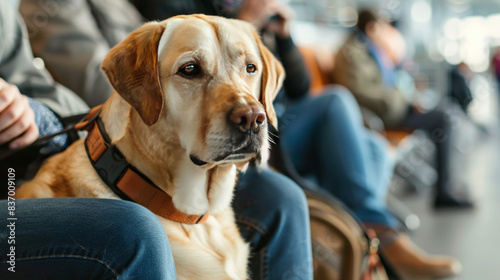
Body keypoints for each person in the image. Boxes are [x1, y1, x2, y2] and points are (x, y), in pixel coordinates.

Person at [129, 0, 462, 279]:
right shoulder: (188, 11)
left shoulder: (242, 8)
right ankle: (379, 236)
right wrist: (244, 25)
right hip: (257, 123)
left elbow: (300, 86)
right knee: (335, 101)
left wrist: (284, 37)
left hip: (276, 116)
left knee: (373, 145)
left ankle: (363, 237)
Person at [18, 0, 313, 279]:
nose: (249, 111)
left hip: (196, 202)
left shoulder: (122, 7)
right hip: (98, 162)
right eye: (191, 70)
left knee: (284, 194)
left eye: (249, 69)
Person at [333, 9, 474, 209]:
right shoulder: (351, 53)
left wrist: (409, 99)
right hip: (383, 115)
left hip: (392, 108)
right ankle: (444, 190)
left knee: (445, 112)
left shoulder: (367, 49)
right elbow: (359, 91)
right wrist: (404, 101)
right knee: (443, 118)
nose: (385, 32)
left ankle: (447, 185)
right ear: (371, 27)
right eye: (382, 27)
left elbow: (383, 85)